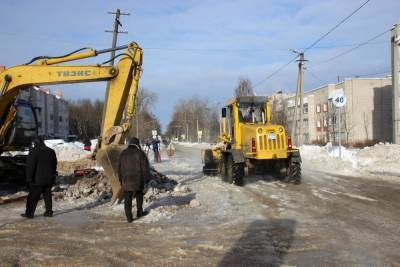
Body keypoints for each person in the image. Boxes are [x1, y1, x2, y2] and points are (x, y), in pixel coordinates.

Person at [22, 137, 57, 219]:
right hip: (49, 179)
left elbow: (30, 166)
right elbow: (54, 164)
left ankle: (29, 214)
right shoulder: (51, 151)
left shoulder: (34, 152)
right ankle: (49, 212)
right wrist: (53, 173)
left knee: (32, 197)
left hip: (37, 180)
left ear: (35, 143)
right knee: (47, 195)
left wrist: (29, 178)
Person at [118, 137, 150, 223]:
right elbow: (145, 168)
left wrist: (120, 179)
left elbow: (119, 168)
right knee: (139, 194)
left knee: (127, 198)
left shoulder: (123, 153)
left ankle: (129, 217)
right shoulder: (141, 153)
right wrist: (146, 179)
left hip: (126, 180)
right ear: (137, 144)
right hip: (138, 179)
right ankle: (140, 212)